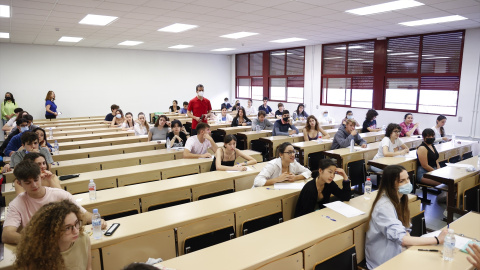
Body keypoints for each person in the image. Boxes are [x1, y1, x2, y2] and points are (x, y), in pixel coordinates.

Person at [2, 160, 107, 245]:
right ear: (20, 183)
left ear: (40, 176)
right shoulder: (17, 204)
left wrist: (97, 219)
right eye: (28, 182)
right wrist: (37, 241)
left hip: (65, 243)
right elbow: (7, 235)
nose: (34, 185)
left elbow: (83, 214)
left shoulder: (59, 194)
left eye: (36, 179)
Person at [365, 165, 448, 269]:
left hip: (398, 251)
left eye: (408, 178)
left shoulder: (400, 198)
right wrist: (437, 239)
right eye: (402, 181)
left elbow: (404, 230)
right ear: (391, 185)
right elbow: (402, 239)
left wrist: (411, 245)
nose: (408, 183)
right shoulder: (383, 207)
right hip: (383, 262)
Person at [14, 200, 92, 269]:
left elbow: (89, 268)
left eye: (76, 223)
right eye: (67, 228)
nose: (75, 231)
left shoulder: (83, 239)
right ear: (53, 231)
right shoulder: (38, 254)